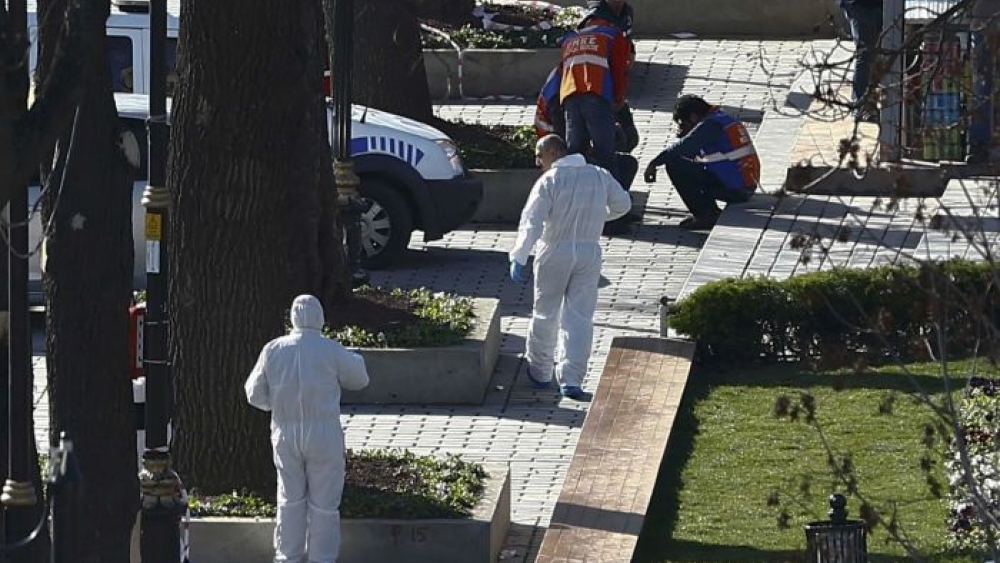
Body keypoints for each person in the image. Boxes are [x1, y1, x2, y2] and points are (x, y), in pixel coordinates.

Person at [245, 295, 370, 563]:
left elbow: (253, 393)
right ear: (320, 318)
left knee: (289, 499)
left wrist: (276, 406)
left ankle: (288, 556)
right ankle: (321, 558)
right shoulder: (330, 349)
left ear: (292, 317)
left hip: (284, 432)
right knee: (325, 503)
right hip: (324, 433)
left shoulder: (273, 349)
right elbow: (360, 379)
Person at [509, 135, 631, 400]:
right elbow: (623, 205)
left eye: (539, 155)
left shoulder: (550, 181)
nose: (537, 161)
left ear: (553, 153)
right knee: (580, 317)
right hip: (589, 251)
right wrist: (598, 215)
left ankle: (540, 371)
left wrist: (519, 256)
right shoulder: (599, 175)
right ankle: (572, 379)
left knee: (545, 312)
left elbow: (532, 222)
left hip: (554, 249)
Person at [535, 66, 640, 235]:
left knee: (627, 164)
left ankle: (616, 211)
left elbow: (628, 135)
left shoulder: (600, 79)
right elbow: (563, 141)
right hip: (557, 153)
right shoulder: (561, 95)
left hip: (583, 148)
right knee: (600, 167)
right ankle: (604, 220)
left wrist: (621, 132)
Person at [643, 95, 760, 230]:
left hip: (738, 189)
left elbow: (682, 148)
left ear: (693, 117)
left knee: (674, 163)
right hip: (744, 183)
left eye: (683, 123)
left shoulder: (710, 125)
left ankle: (706, 215)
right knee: (682, 162)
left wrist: (654, 163)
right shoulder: (721, 118)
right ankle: (710, 211)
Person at [558, 15, 631, 180]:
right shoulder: (612, 34)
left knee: (575, 154)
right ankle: (614, 200)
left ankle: (575, 196)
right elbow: (619, 69)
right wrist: (618, 98)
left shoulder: (570, 39)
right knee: (605, 153)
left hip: (570, 97)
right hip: (596, 95)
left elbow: (561, 72)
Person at [839, 0, 883, 121]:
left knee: (875, 55)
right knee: (865, 54)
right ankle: (860, 105)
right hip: (859, 6)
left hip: (881, 6)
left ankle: (867, 103)